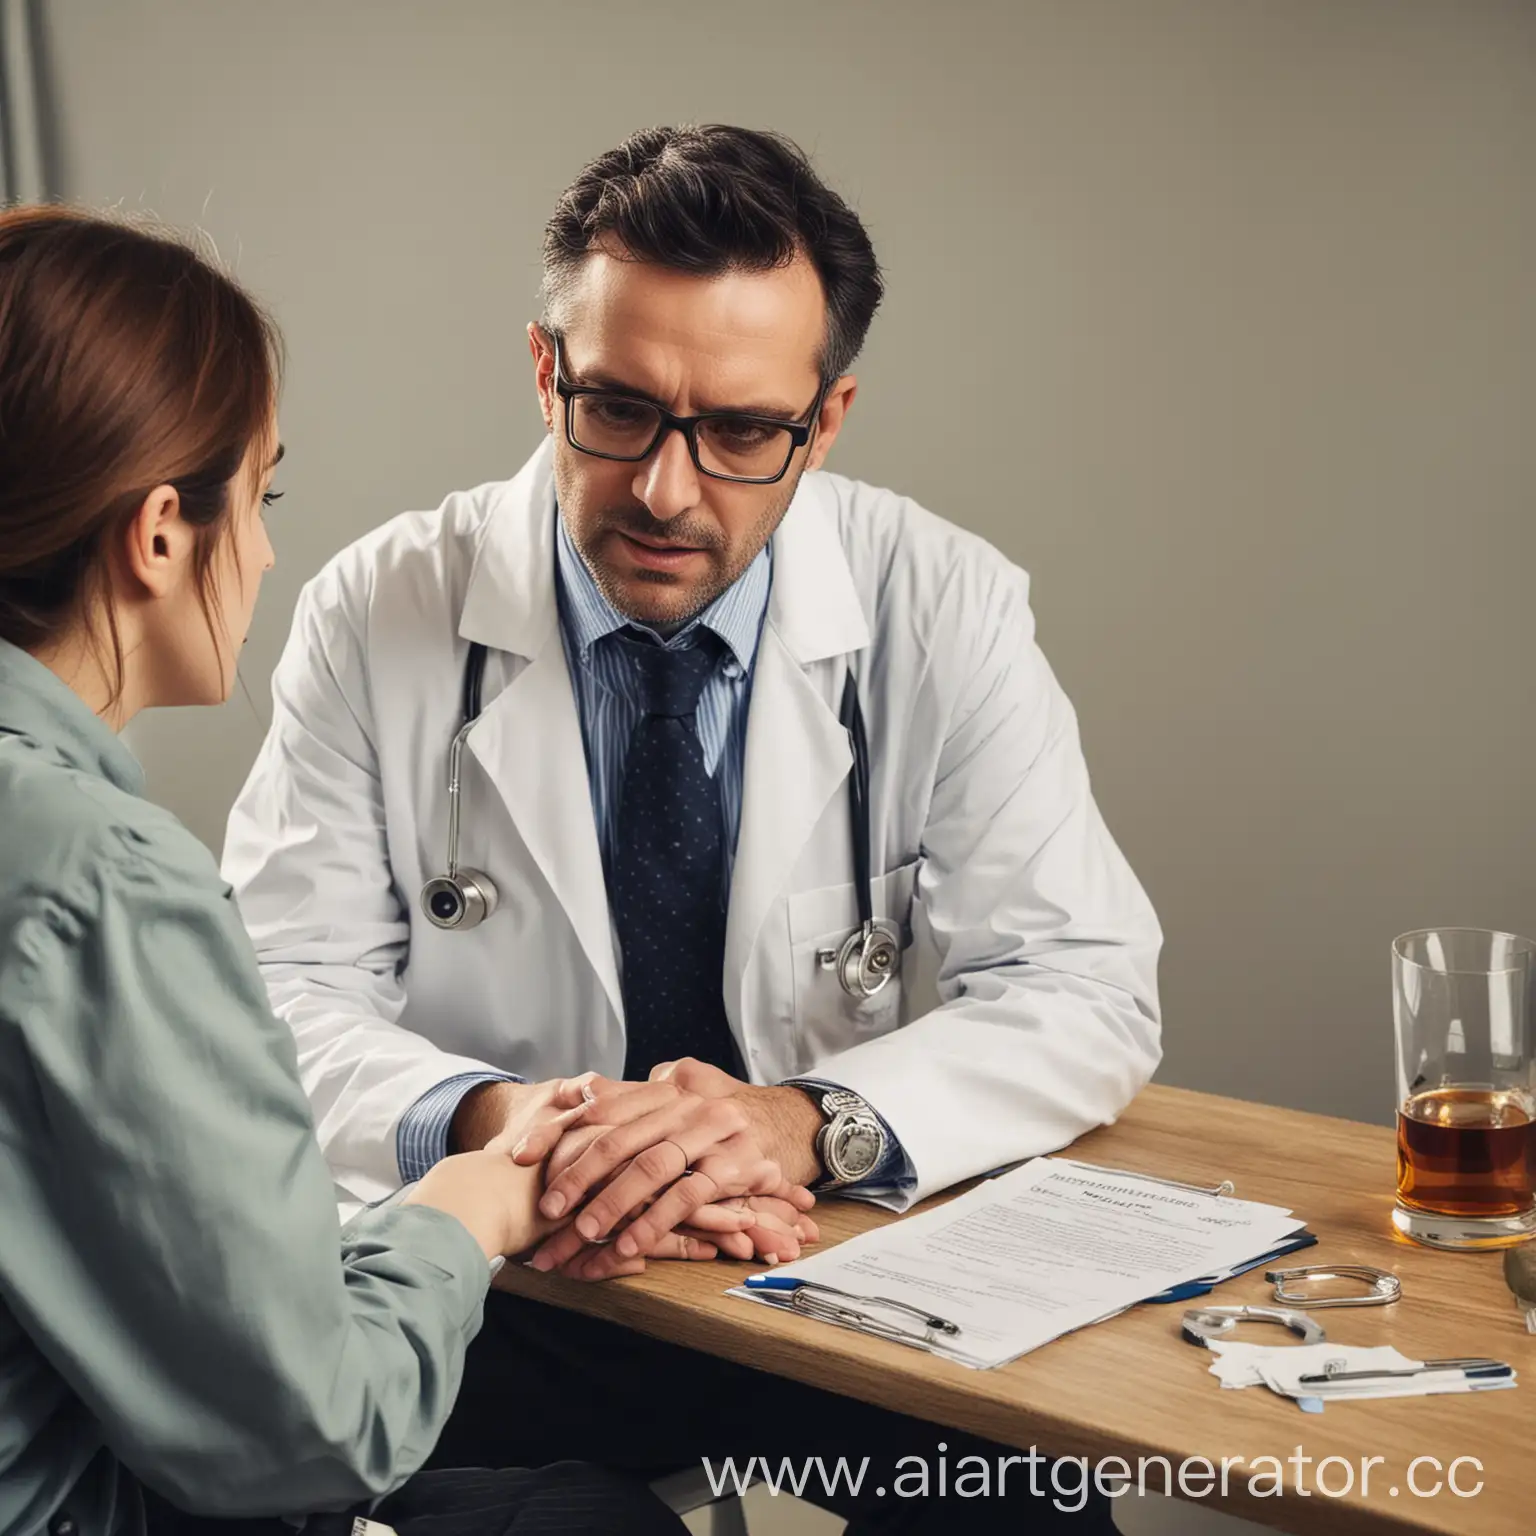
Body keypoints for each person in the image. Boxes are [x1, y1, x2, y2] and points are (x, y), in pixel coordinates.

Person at [223, 125, 1162, 1530]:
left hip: (830, 1278)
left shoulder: (943, 604)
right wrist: (510, 1124)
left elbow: (1083, 986)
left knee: (1021, 1514)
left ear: (827, 419)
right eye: (618, 410)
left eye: (738, 433)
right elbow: (276, 997)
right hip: (509, 1287)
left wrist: (803, 1126)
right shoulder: (381, 609)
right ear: (546, 374)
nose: (668, 488)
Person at [0, 206, 688, 1536]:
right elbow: (319, 1429)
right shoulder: (95, 873)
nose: (261, 552)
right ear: (157, 535)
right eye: (258, 499)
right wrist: (466, 1204)